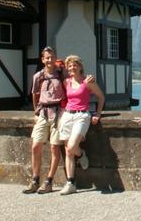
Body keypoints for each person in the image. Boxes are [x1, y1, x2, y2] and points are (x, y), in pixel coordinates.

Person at [23, 47, 93, 194]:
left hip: (59, 113)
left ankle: (49, 181)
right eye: (47, 58)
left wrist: (90, 78)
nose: (49, 60)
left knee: (55, 148)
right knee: (35, 146)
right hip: (43, 113)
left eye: (52, 57)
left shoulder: (62, 74)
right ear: (42, 60)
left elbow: (77, 76)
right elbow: (35, 96)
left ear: (55, 58)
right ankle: (35, 179)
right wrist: (36, 113)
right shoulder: (38, 76)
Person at [58, 54, 105, 195]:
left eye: (74, 65)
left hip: (82, 115)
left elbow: (101, 97)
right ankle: (71, 183)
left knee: (72, 147)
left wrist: (97, 114)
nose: (72, 67)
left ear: (80, 67)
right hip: (67, 115)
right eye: (69, 65)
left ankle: (81, 153)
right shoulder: (66, 82)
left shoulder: (88, 81)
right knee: (67, 151)